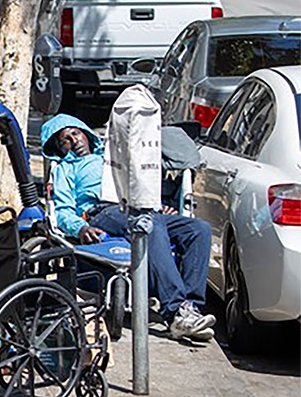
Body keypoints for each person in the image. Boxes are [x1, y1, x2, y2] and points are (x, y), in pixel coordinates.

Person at [41, 114, 216, 341]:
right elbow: (63, 211)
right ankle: (174, 311)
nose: (74, 140)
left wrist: (160, 205)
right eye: (65, 140)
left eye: (75, 133)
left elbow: (143, 181)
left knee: (199, 229)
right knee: (149, 224)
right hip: (103, 212)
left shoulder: (113, 154)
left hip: (141, 205)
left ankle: (190, 309)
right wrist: (81, 228)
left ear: (85, 132)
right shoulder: (66, 169)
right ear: (60, 148)